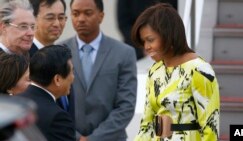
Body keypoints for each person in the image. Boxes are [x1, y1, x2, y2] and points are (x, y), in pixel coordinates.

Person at [131, 3, 220, 141]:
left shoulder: (199, 69)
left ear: (168, 35)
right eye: (143, 42)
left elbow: (210, 128)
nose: (146, 47)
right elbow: (146, 125)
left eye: (150, 40)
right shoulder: (155, 71)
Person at [60, 0, 137, 140]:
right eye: (75, 14)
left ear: (101, 16)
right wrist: (77, 137)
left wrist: (94, 139)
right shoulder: (59, 52)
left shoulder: (124, 53)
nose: (81, 19)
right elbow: (55, 104)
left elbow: (126, 106)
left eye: (88, 13)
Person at [18, 45, 76, 141]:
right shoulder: (58, 118)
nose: (73, 77)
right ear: (57, 79)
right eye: (72, 72)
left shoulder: (14, 103)